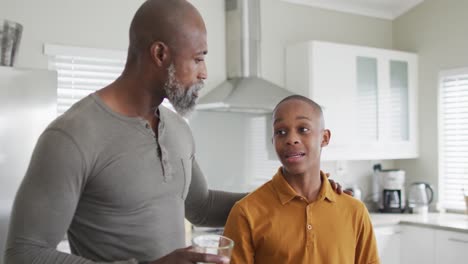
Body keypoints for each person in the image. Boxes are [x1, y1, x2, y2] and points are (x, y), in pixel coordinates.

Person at [4, 1, 346, 264]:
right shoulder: (72, 136)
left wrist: (297, 193)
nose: (203, 73)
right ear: (159, 54)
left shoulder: (177, 129)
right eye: (197, 59)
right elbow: (23, 253)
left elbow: (201, 205)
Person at [223, 95, 380, 264]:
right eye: (280, 132)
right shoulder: (245, 213)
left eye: (303, 129)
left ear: (324, 138)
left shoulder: (355, 211)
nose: (291, 139)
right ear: (273, 141)